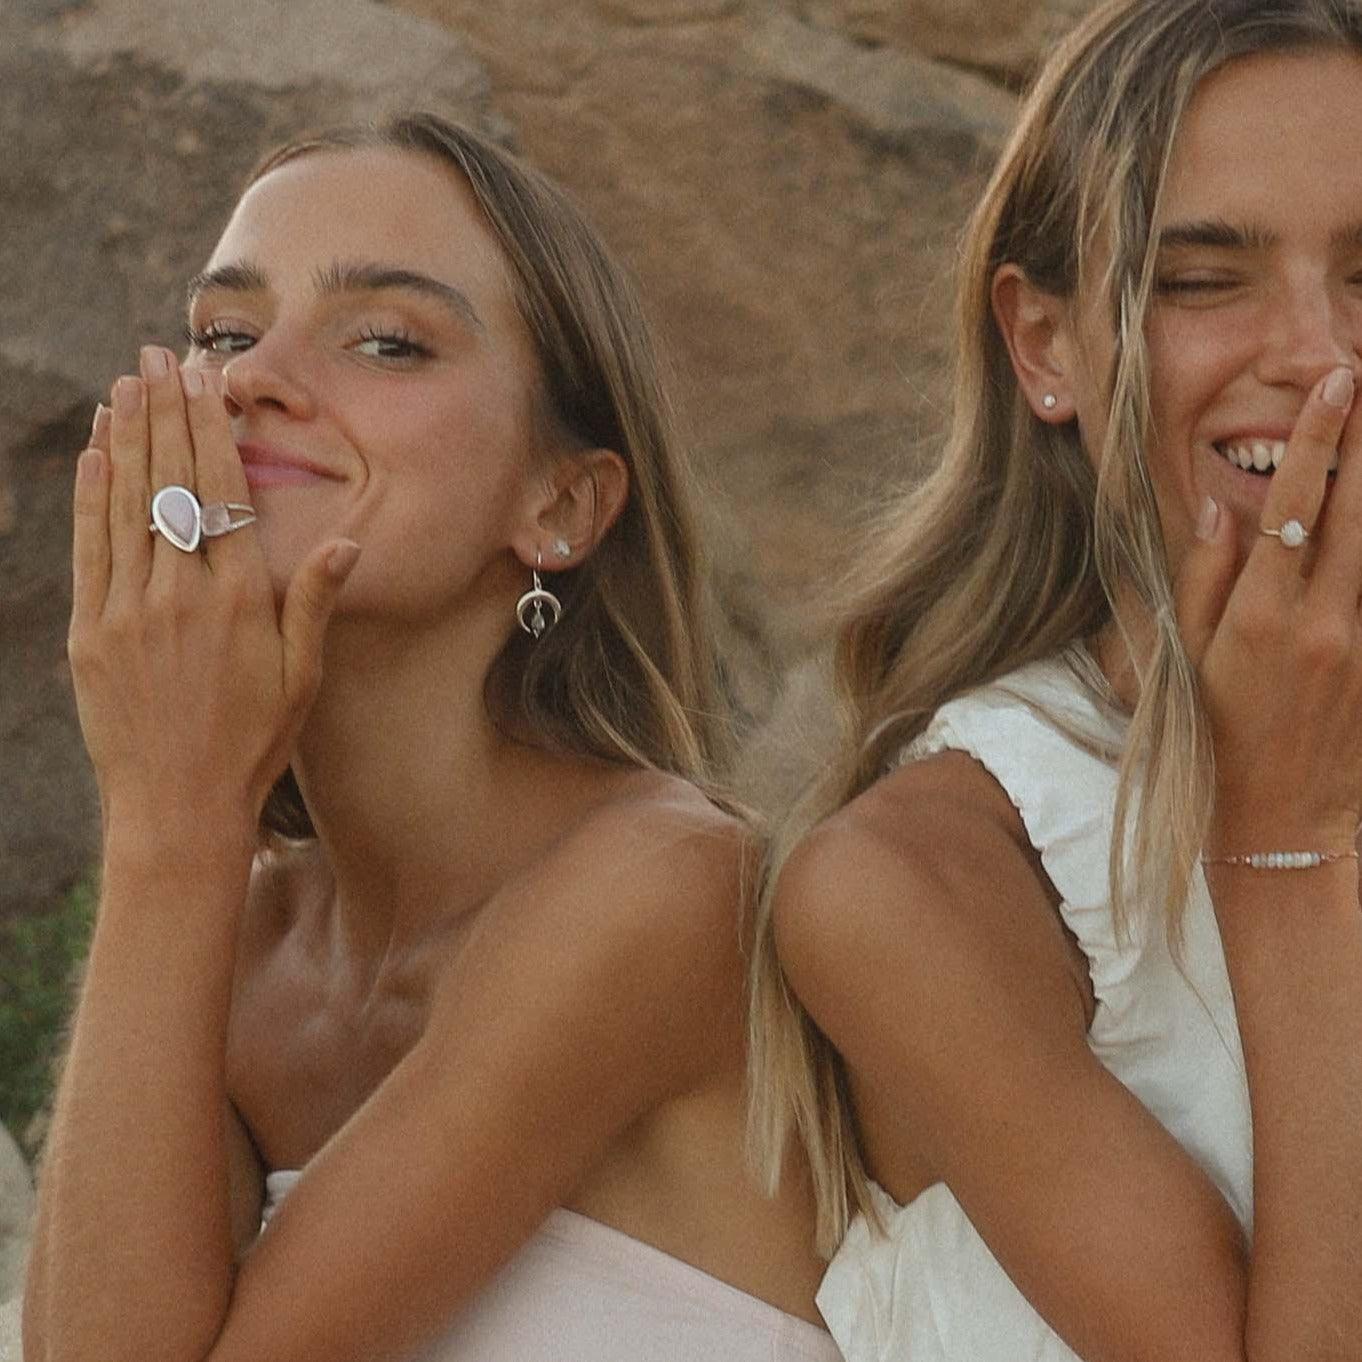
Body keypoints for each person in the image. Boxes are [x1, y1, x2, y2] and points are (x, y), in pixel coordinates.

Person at [22, 114, 838, 1362]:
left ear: (561, 502)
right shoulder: (243, 952)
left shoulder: (661, 890)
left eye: (387, 342)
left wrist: (170, 821)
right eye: (224, 333)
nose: (249, 378)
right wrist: (171, 830)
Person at [747, 1, 1362, 1358]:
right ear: (1045, 344)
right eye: (1201, 279)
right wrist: (1285, 849)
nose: (1320, 352)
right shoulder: (922, 881)